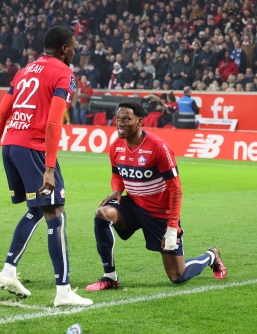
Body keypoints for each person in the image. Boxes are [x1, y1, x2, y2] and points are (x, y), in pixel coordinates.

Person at [0, 26, 93, 307]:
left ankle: (8, 271)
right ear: (65, 48)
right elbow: (54, 122)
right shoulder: (64, 74)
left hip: (11, 146)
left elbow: (0, 115)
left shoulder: (24, 71)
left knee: (36, 210)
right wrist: (50, 167)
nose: (75, 51)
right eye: (74, 47)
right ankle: (63, 291)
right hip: (34, 148)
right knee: (56, 212)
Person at [85, 101, 227, 291]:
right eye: (118, 119)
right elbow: (116, 174)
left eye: (127, 119)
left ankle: (211, 256)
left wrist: (172, 226)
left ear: (139, 122)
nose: (120, 123)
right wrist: (118, 189)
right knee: (102, 214)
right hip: (133, 205)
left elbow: (175, 189)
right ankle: (110, 277)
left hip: (160, 213)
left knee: (178, 276)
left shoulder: (159, 147)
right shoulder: (116, 146)